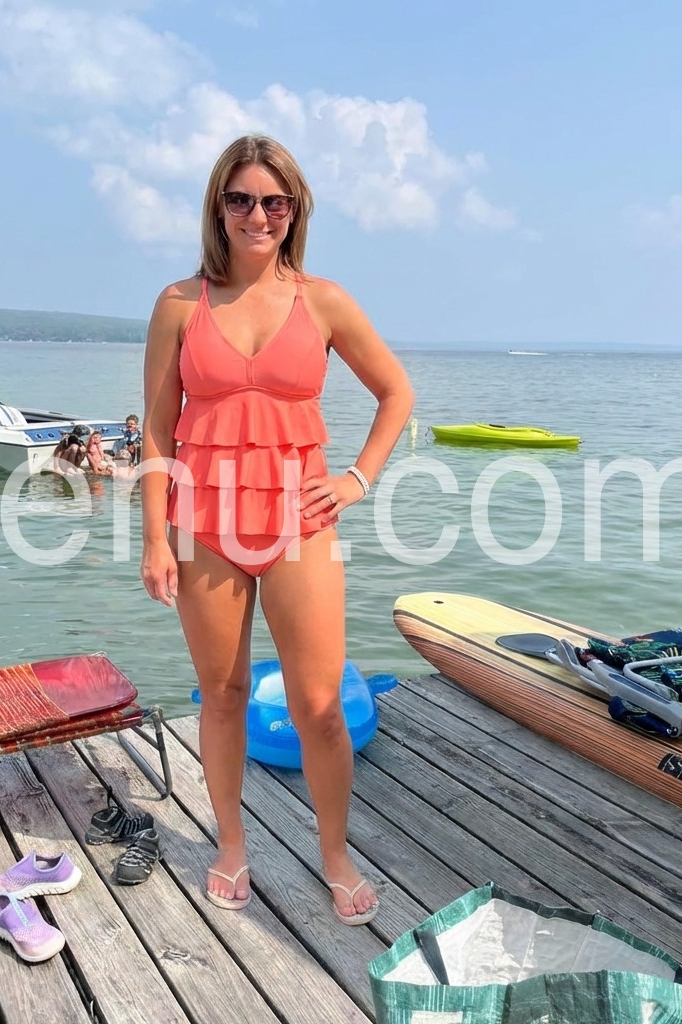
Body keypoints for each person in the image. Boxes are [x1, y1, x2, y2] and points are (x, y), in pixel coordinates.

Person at [139, 134, 414, 925]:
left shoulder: (323, 300)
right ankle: (231, 845)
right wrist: (154, 538)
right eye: (240, 199)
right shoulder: (179, 303)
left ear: (294, 211)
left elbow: (396, 392)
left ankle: (335, 854)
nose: (256, 215)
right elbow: (156, 427)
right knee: (223, 696)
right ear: (218, 207)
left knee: (320, 705)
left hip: (300, 522)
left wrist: (356, 479)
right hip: (203, 524)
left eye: (273, 201)